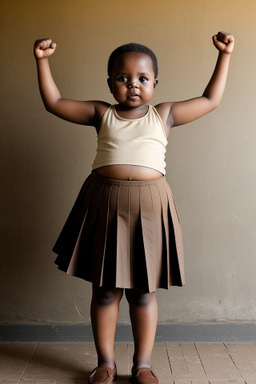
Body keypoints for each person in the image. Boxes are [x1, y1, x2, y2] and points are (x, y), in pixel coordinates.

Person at [34, 32, 234, 384]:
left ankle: (142, 364)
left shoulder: (165, 114)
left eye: (142, 78)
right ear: (110, 84)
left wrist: (224, 55)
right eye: (123, 79)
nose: (133, 85)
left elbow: (210, 99)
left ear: (156, 83)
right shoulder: (101, 113)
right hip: (104, 204)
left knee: (143, 291)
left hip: (150, 208)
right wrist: (42, 61)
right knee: (105, 290)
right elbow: (54, 102)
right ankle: (105, 363)